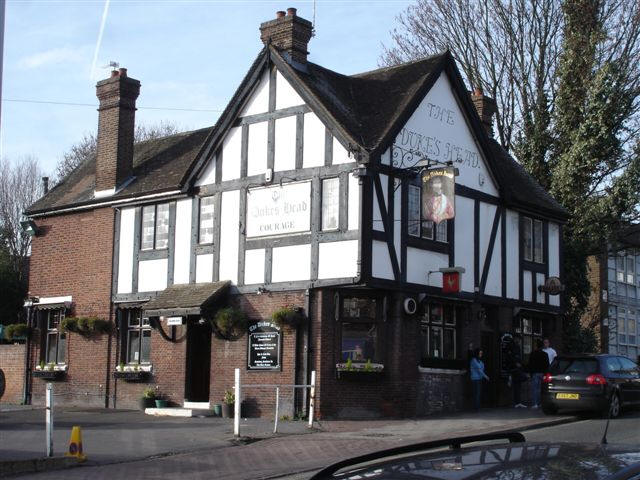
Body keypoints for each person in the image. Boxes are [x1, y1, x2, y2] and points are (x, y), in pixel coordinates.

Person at [528, 340, 550, 409]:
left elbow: (530, 364)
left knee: (534, 389)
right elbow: (547, 365)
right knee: (541, 389)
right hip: (542, 373)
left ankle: (535, 404)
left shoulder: (533, 354)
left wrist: (530, 373)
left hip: (535, 373)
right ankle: (540, 403)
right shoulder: (545, 354)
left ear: (536, 346)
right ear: (542, 346)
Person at [509, 338, 527, 408]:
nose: (519, 342)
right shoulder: (514, 348)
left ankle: (518, 402)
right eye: (519, 340)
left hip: (517, 370)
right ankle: (517, 402)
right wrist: (516, 363)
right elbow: (513, 358)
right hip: (515, 370)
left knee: (518, 387)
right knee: (516, 387)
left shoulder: (517, 348)